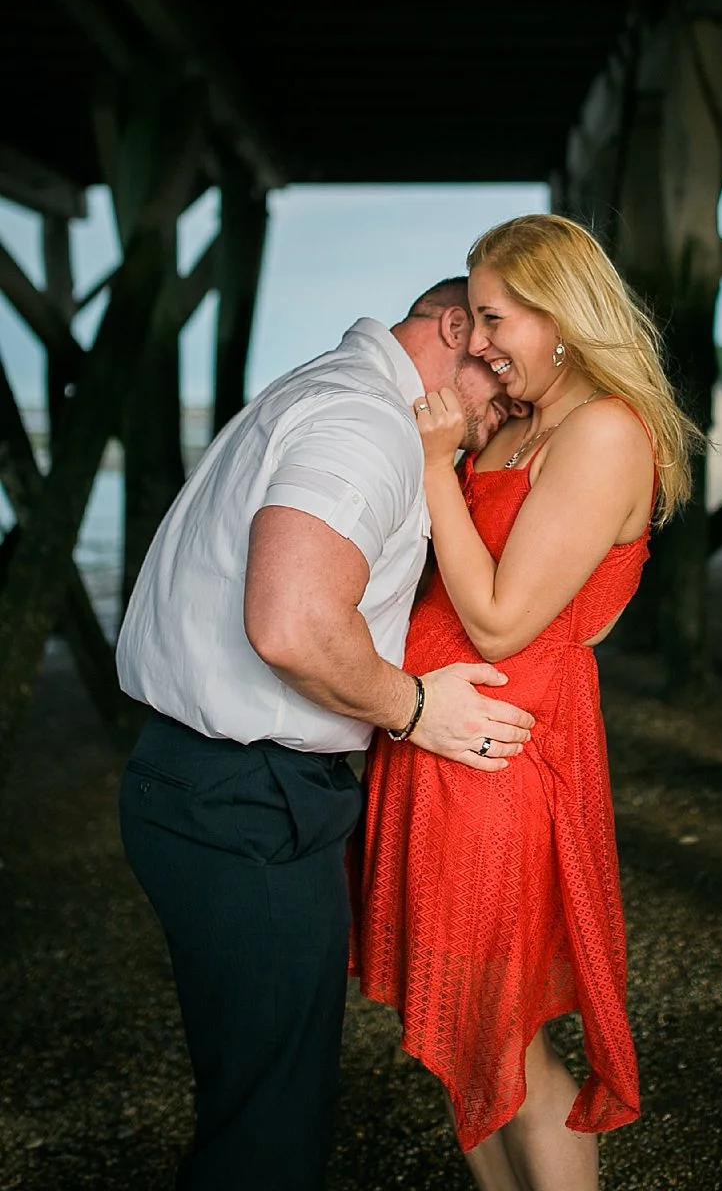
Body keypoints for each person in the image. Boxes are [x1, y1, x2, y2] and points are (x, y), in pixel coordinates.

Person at [117, 282, 535, 1191]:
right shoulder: (364, 422)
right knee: (271, 1122)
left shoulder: (328, 391)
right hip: (244, 799)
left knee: (259, 1089)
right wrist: (420, 709)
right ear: (453, 326)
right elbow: (296, 625)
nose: (508, 404)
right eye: (498, 374)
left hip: (207, 783)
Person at [354, 214, 699, 1191]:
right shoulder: (526, 424)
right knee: (467, 1037)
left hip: (499, 760)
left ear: (558, 317)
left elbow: (503, 622)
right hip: (439, 743)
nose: (479, 339)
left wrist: (432, 469)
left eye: (494, 316)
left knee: (505, 1041)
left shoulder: (599, 432)